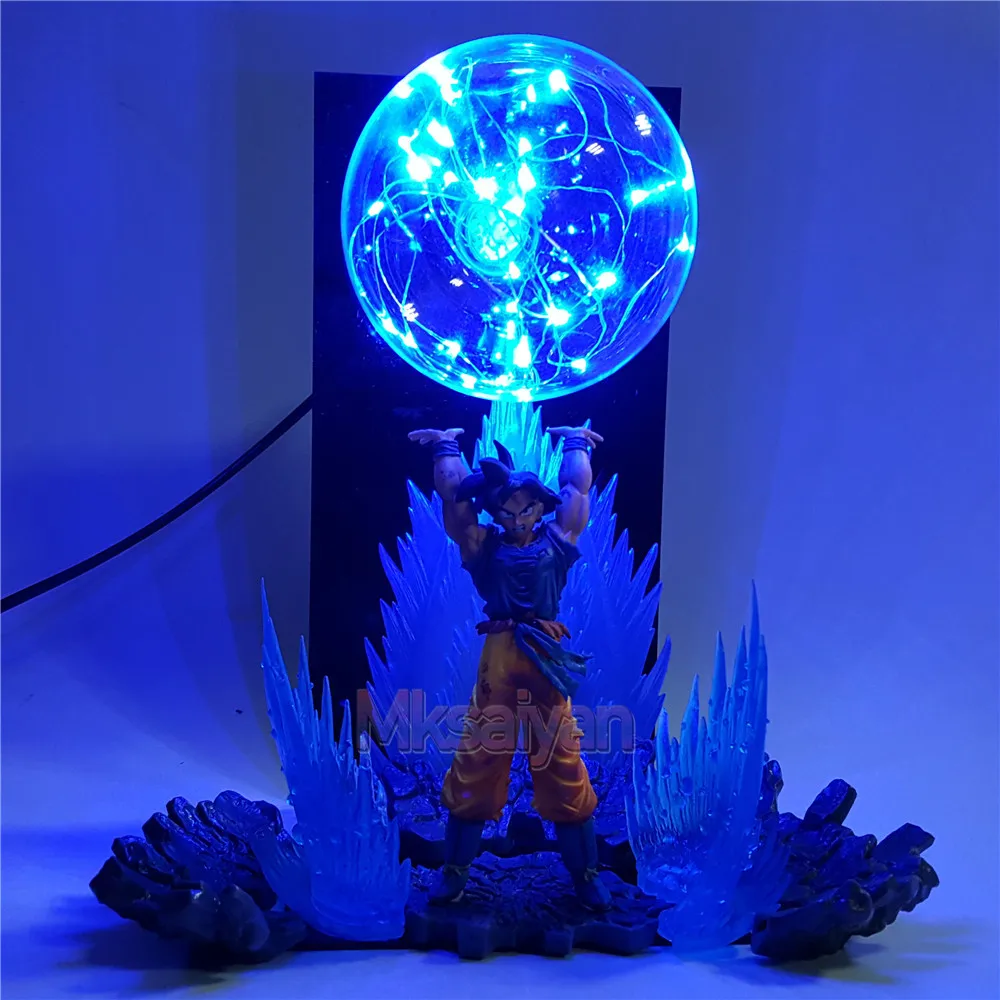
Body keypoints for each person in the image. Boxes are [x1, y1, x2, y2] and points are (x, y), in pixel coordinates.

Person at [408, 423, 611, 910]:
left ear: (540, 508)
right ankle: (455, 871)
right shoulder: (484, 546)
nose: (517, 519)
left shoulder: (556, 541)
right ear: (495, 512)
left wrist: (577, 444)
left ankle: (586, 875)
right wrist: (446, 448)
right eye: (506, 511)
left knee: (561, 758)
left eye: (526, 510)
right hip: (500, 655)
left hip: (544, 652)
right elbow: (456, 506)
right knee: (479, 756)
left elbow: (577, 494)